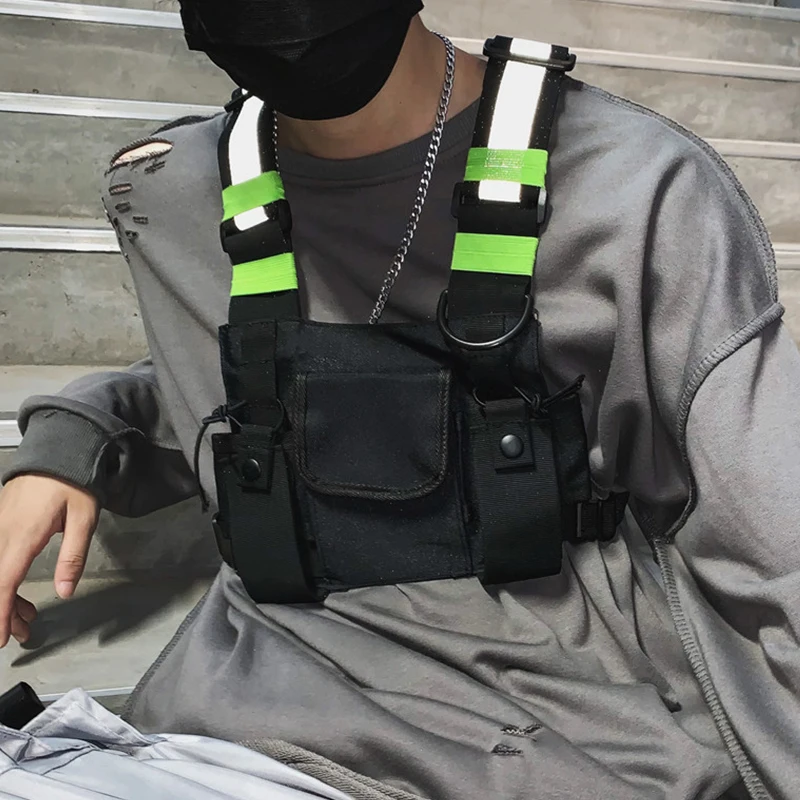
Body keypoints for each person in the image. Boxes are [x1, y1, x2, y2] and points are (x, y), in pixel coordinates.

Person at [0, 2, 798, 798]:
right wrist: (78, 438)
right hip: (244, 721)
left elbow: (763, 526)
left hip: (568, 736)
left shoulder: (636, 183)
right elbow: (227, 374)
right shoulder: (165, 187)